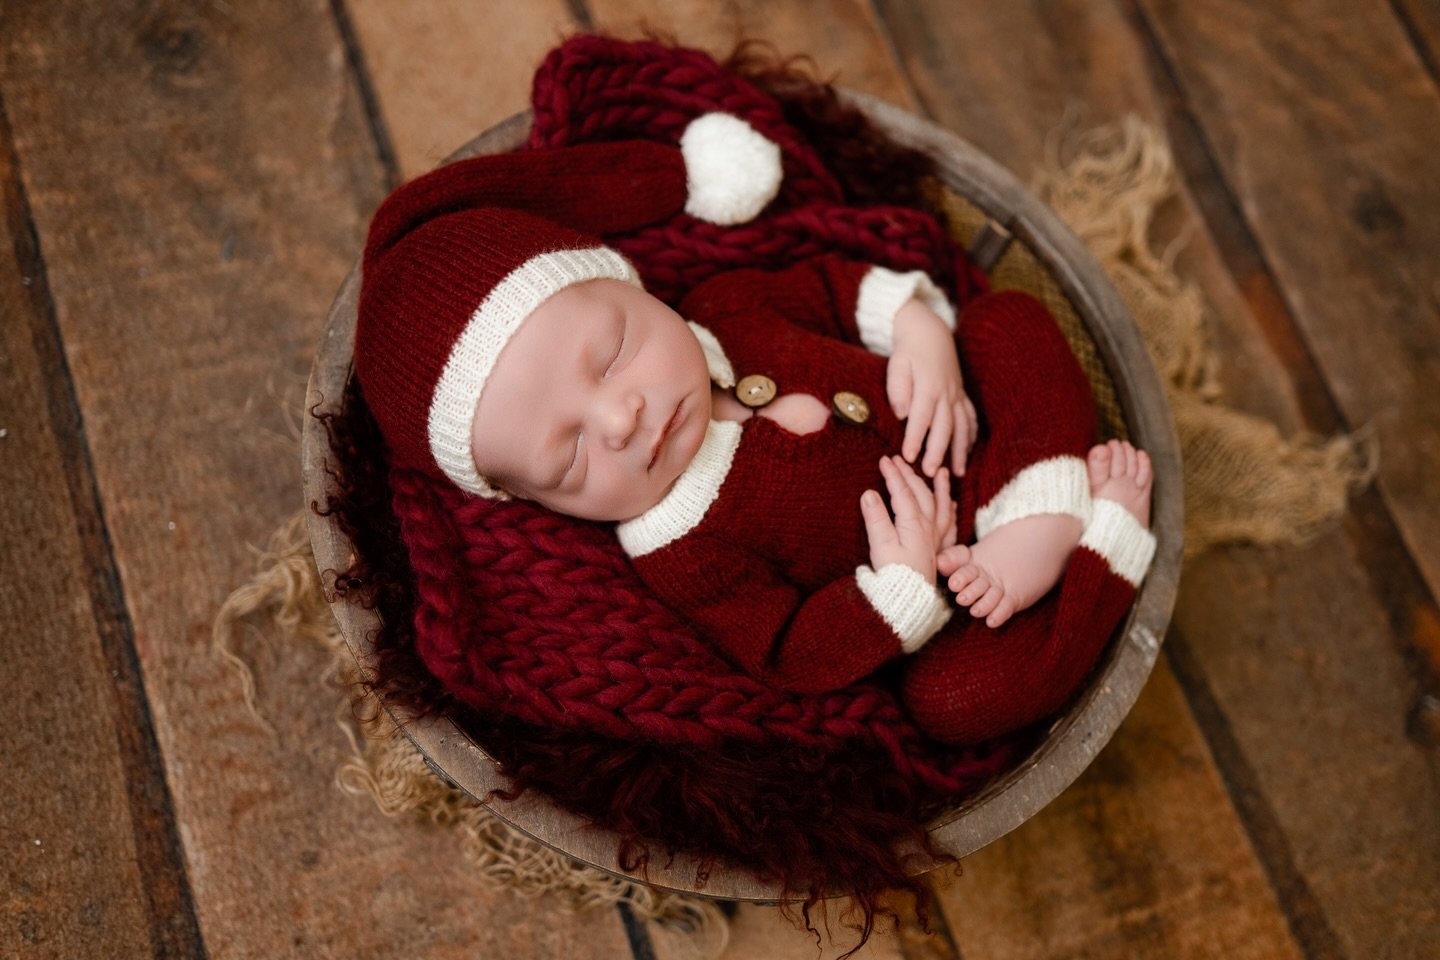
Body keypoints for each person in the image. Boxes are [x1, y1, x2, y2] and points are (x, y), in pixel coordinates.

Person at [355, 111, 1155, 746]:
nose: (620, 417)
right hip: (957, 583)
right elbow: (788, 650)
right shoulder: (680, 553)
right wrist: (900, 585)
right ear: (535, 503)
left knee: (1007, 323)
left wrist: (919, 335)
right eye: (568, 459)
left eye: (614, 354)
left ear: (631, 285)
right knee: (954, 703)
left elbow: (832, 290)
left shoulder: (726, 308)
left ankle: (1040, 504)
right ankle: (1105, 548)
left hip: (986, 430)